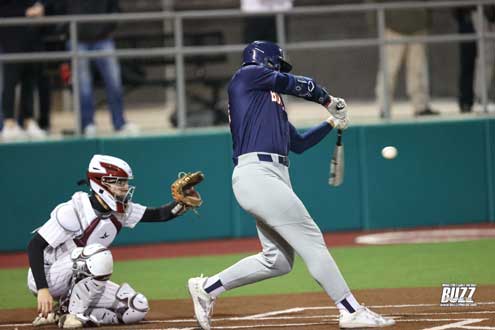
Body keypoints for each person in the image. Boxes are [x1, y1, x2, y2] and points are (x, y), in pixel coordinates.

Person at [187, 41, 395, 330]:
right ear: (266, 61)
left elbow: (298, 144)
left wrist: (331, 122)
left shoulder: (267, 102)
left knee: (278, 261)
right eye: (277, 65)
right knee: (311, 239)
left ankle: (207, 288)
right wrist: (327, 100)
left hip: (272, 175)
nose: (278, 70)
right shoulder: (247, 74)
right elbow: (299, 84)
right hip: (257, 173)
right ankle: (350, 310)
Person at [27, 154, 201, 327]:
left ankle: (63, 311)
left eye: (125, 182)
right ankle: (74, 315)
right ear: (101, 182)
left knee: (136, 307)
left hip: (80, 277)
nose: (125, 187)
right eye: (120, 182)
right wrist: (43, 289)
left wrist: (182, 203)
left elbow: (159, 215)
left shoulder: (120, 210)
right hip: (48, 276)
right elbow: (35, 246)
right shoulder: (73, 210)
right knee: (99, 256)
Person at [55, 0, 137, 136]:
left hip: (103, 39)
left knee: (114, 83)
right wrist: (67, 29)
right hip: (77, 39)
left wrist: (106, 27)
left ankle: (119, 123)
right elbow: (58, 8)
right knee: (84, 86)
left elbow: (114, 9)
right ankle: (88, 124)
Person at [375, 3, 439, 117]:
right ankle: (384, 107)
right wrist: (377, 23)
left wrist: (427, 17)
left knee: (418, 68)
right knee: (389, 69)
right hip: (393, 28)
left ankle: (420, 106)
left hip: (418, 26)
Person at [0, 0, 47, 140]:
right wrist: (25, 12)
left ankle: (29, 121)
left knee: (30, 79)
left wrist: (40, 7)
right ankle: (8, 123)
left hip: (32, 36)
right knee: (10, 80)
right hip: (11, 36)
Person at [453, 6, 477, 113]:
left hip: (485, 16)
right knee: (467, 61)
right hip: (468, 17)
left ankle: (472, 99)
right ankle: (466, 101)